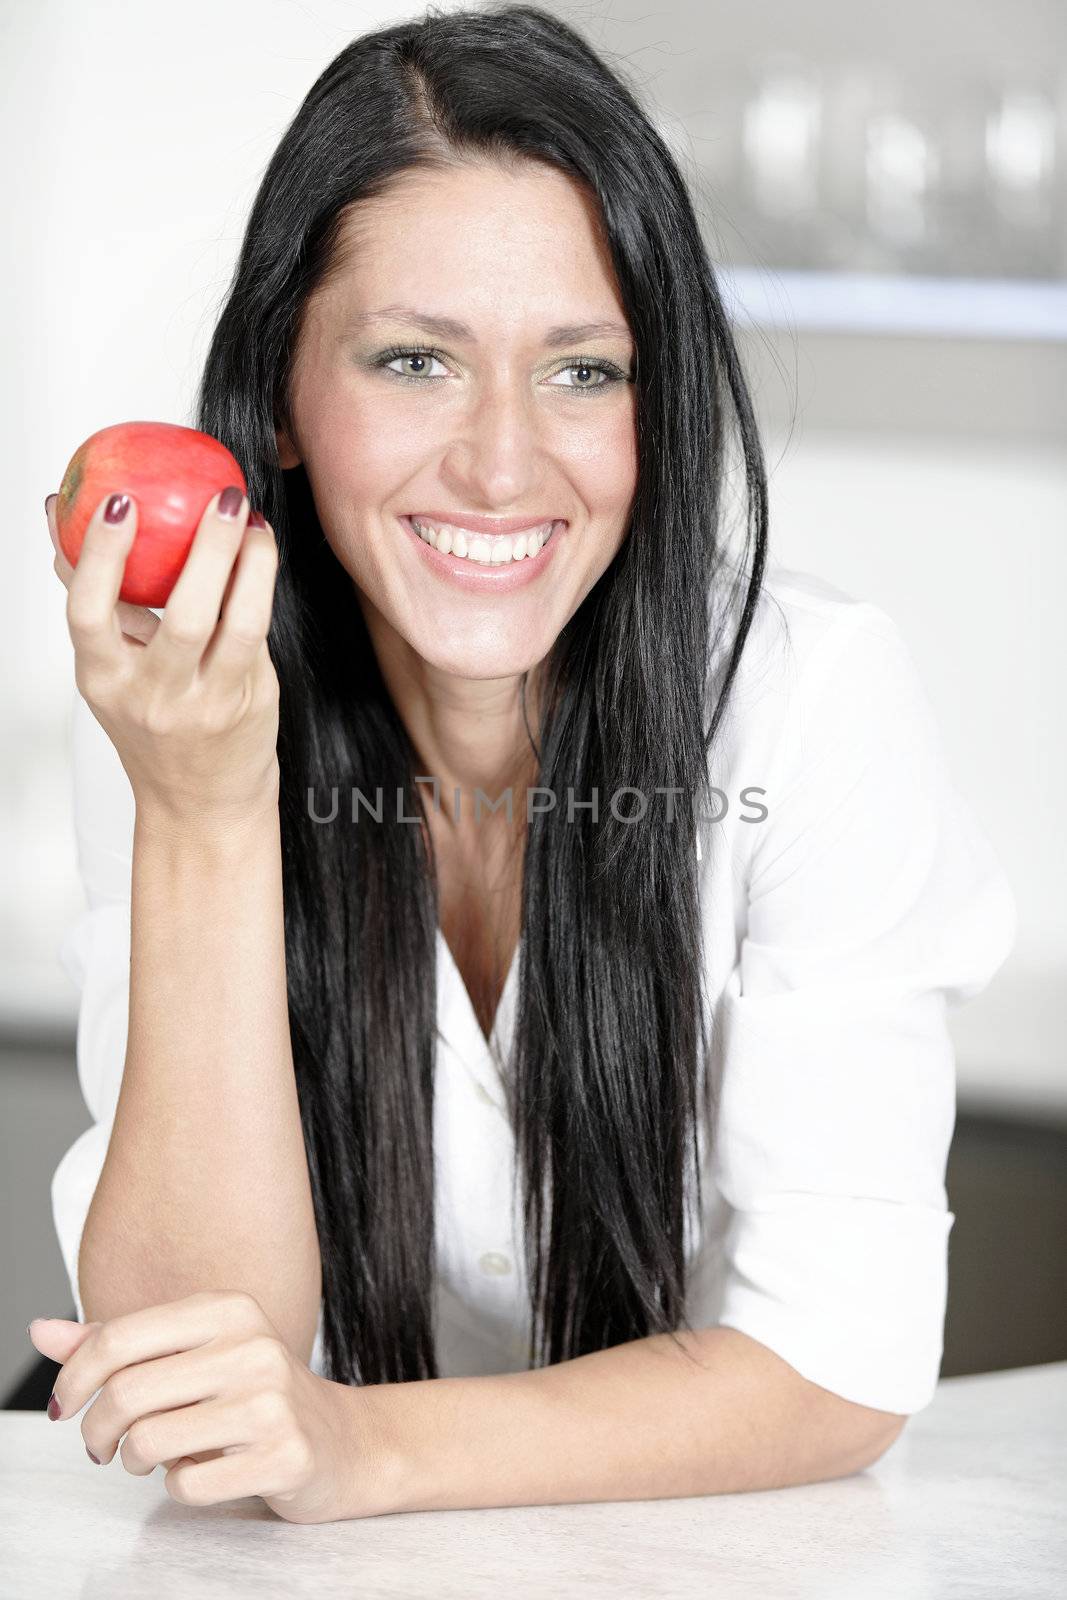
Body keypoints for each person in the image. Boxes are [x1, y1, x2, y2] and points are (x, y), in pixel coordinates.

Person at [39, 3, 1015, 1521]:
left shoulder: (809, 702)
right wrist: (207, 810)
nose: (503, 464)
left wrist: (363, 1447)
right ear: (282, 404)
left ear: (659, 402)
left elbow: (835, 1365)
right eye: (415, 361)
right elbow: (196, 1371)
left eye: (583, 373)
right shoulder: (186, 706)